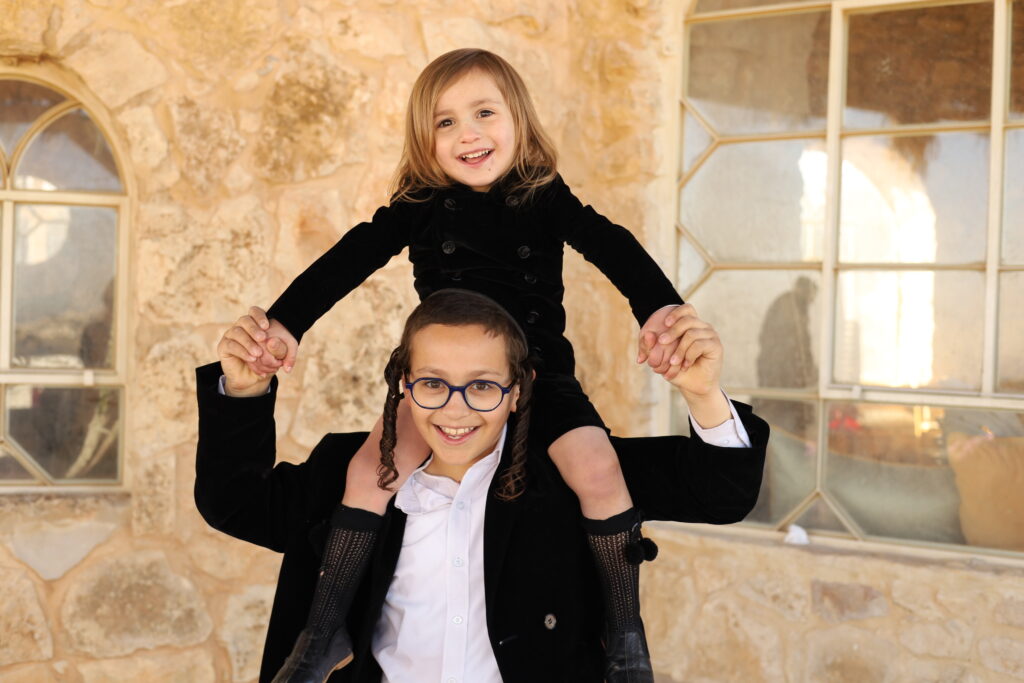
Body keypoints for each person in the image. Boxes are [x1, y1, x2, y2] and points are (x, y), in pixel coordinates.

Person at [241, 48, 690, 682]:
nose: (468, 134)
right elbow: (350, 258)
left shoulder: (544, 195)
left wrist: (660, 309)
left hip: (538, 378)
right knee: (369, 472)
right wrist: (286, 322)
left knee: (597, 467)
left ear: (519, 120)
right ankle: (322, 631)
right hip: (445, 383)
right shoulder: (421, 203)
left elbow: (611, 245)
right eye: (445, 122)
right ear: (424, 140)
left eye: (484, 113)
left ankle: (624, 632)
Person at [198, 289, 768, 682]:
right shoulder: (351, 474)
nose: (456, 409)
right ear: (403, 383)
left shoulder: (571, 479)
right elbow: (234, 504)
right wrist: (243, 388)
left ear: (518, 391)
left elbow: (722, 493)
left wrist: (702, 394)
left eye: (483, 386)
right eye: (433, 383)